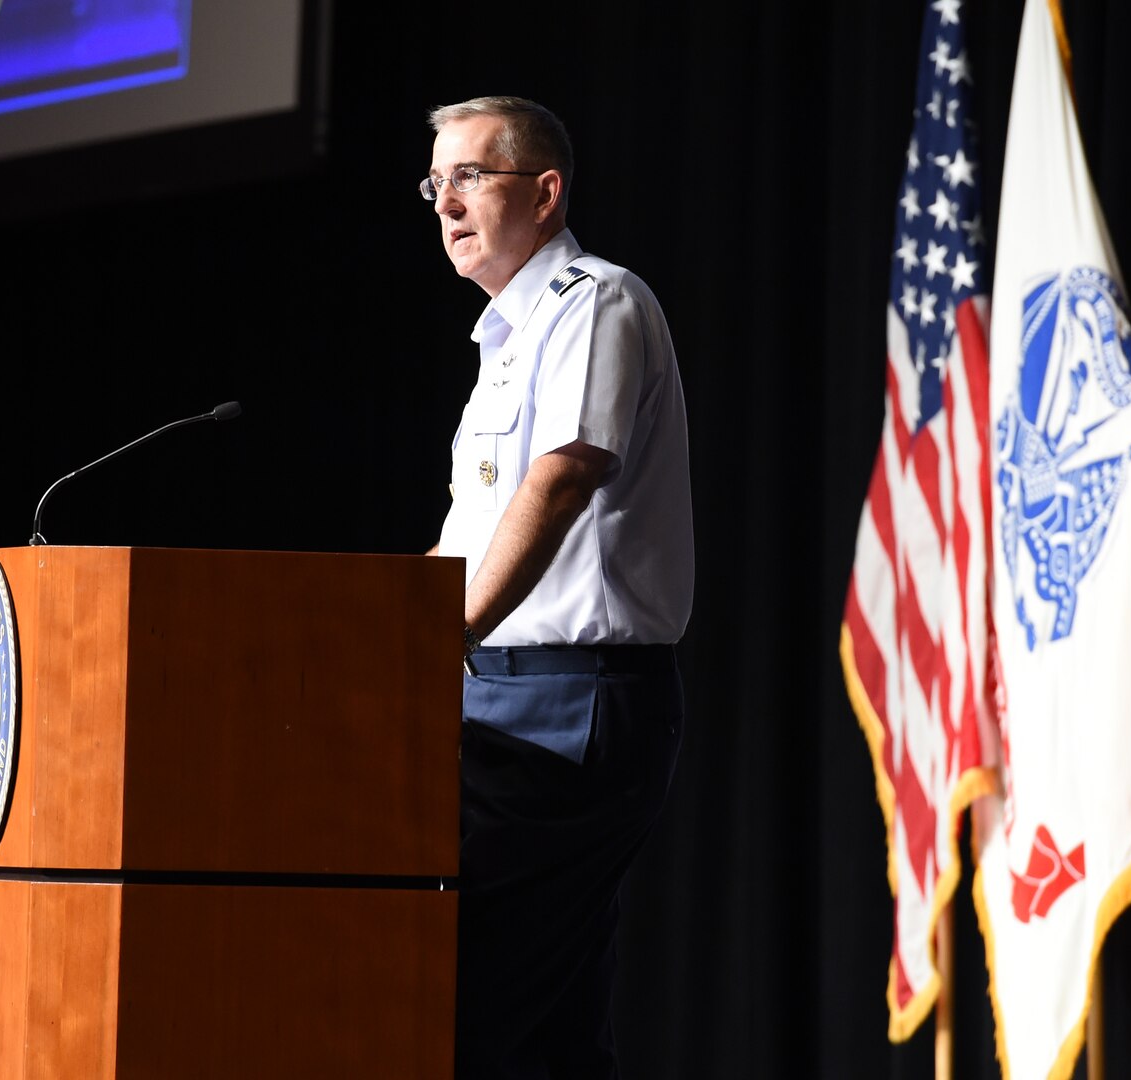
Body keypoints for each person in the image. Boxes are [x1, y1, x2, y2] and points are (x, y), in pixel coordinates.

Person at [423, 96, 694, 1079]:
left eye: (471, 177)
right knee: (550, 1026)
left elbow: (563, 475)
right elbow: (469, 539)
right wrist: (388, 641)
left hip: (573, 699)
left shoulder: (596, 302)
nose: (447, 202)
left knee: (469, 996)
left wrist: (433, 636)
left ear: (545, 192)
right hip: (495, 695)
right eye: (435, 181)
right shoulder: (503, 344)